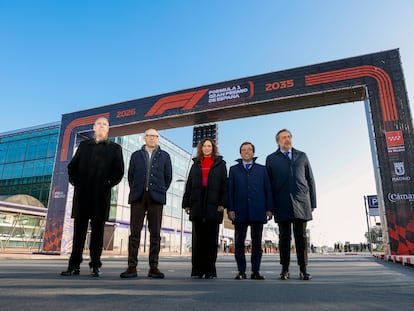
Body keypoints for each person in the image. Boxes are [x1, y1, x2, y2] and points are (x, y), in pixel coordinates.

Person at [61, 117, 124, 277]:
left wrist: (107, 183)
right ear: (93, 128)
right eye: (99, 124)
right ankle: (73, 266)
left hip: (101, 195)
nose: (102, 127)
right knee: (79, 232)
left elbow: (119, 171)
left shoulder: (115, 148)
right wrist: (76, 182)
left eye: (105, 125)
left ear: (108, 130)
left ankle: (95, 265)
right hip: (82, 195)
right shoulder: (83, 146)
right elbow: (72, 167)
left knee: (97, 233)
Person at [120, 128, 172, 279]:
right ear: (144, 138)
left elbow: (167, 177)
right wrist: (138, 188)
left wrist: (159, 190)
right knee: (134, 233)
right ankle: (131, 267)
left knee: (155, 233)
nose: (152, 138)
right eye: (149, 136)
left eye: (155, 136)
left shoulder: (165, 156)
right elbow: (131, 176)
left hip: (156, 198)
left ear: (158, 139)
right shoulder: (136, 155)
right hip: (138, 197)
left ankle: (153, 267)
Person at [265, 129, 316, 281]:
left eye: (289, 137)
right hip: (281, 203)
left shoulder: (302, 155)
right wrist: (270, 206)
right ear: (278, 141)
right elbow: (268, 185)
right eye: (283, 138)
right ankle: (284, 269)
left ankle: (303, 269)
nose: (287, 140)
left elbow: (310, 179)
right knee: (284, 237)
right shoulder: (271, 159)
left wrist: (313, 202)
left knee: (301, 237)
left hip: (302, 202)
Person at [182, 138, 228, 279]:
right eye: (204, 146)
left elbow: (224, 186)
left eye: (209, 146)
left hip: (214, 205)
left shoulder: (220, 164)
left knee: (211, 240)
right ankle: (197, 270)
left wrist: (222, 203)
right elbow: (189, 184)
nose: (207, 148)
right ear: (201, 149)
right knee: (198, 240)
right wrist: (186, 203)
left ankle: (209, 270)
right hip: (197, 204)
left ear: (213, 148)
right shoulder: (195, 164)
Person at [228, 142, 273, 280]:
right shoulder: (233, 169)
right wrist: (231, 209)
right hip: (239, 211)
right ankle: (241, 271)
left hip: (258, 210)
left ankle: (255, 271)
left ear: (253, 152)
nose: (246, 152)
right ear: (240, 153)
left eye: (249, 149)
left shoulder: (262, 169)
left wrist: (269, 208)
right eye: (243, 150)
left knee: (257, 242)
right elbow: (230, 191)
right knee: (239, 242)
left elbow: (268, 189)